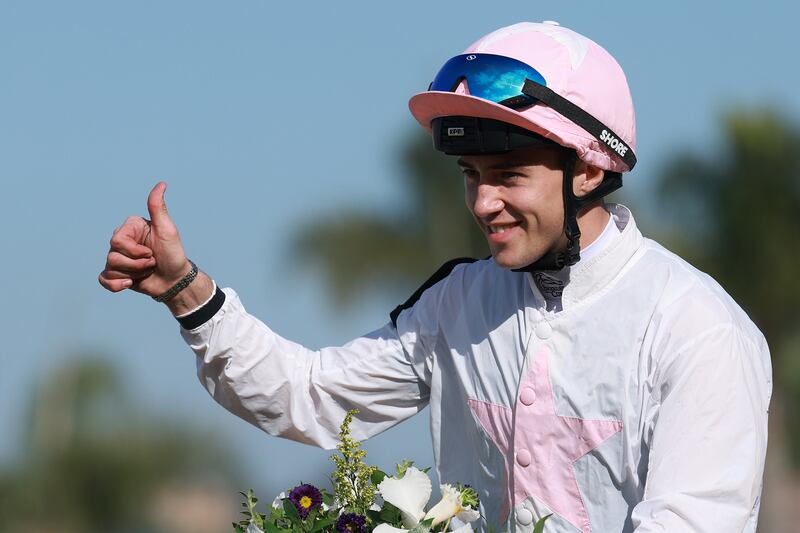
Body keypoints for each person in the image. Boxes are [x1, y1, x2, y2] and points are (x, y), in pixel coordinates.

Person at [99, 21, 772, 532]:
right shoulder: (458, 301)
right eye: (471, 177)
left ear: (590, 169)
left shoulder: (697, 329)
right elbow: (309, 397)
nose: (482, 203)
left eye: (508, 176)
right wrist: (189, 291)